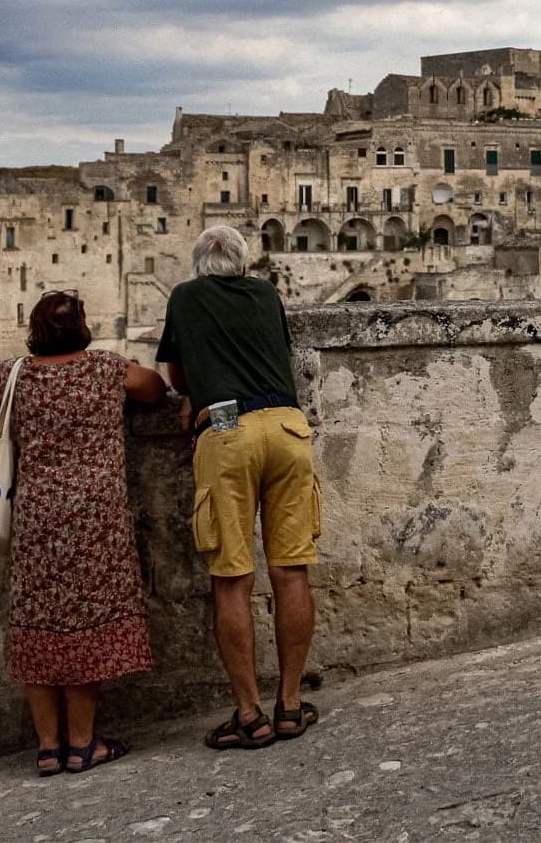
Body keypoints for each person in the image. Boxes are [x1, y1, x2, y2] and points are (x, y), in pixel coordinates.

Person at [0, 291, 168, 776]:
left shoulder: (20, 376)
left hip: (39, 516)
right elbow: (155, 388)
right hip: (97, 516)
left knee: (39, 624)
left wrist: (13, 370)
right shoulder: (106, 369)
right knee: (88, 624)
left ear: (35, 332)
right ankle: (83, 744)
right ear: (82, 327)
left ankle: (48, 748)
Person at [157, 224, 320, 751]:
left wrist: (196, 391)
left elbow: (176, 374)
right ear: (245, 265)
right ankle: (291, 704)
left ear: (199, 265)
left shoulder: (184, 297)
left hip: (227, 430)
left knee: (232, 579)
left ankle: (249, 715)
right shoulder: (267, 292)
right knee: (291, 571)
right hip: (288, 426)